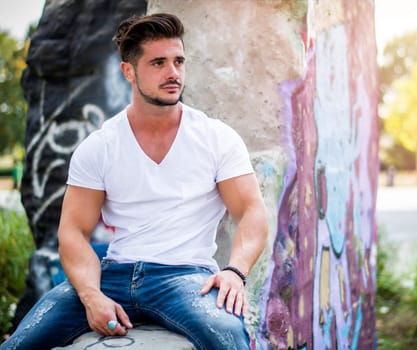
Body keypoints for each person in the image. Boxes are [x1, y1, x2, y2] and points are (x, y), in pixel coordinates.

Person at [1, 13, 268, 350]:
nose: (173, 73)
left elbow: (251, 211)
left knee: (227, 336)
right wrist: (90, 295)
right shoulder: (100, 146)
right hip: (111, 277)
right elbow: (72, 232)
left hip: (185, 278)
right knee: (21, 343)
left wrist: (235, 271)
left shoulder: (216, 138)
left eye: (178, 61)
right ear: (129, 71)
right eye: (158, 63)